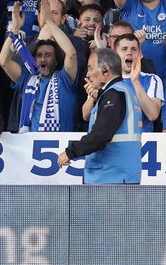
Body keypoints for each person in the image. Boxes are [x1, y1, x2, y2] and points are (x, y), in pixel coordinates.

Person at [57, 49, 143, 184]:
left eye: (90, 68)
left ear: (105, 71)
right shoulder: (123, 91)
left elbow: (101, 135)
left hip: (110, 176)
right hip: (119, 175)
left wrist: (70, 152)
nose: (88, 74)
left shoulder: (114, 94)